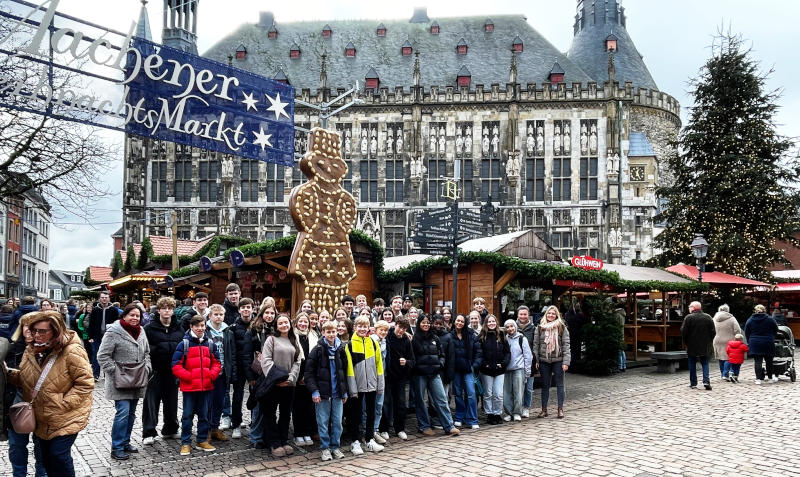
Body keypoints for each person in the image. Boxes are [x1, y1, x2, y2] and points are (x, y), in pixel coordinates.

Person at [6, 311, 94, 476]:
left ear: (55, 330)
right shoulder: (31, 350)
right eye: (34, 331)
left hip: (65, 416)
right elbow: (27, 379)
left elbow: (85, 384)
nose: (37, 335)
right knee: (47, 459)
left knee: (58, 455)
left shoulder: (72, 351)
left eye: (42, 331)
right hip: (42, 417)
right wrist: (8, 374)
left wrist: (63, 403)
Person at [96, 304, 152, 460]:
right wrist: (117, 372)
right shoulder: (113, 332)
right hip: (119, 382)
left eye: (138, 316)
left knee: (132, 414)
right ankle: (117, 446)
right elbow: (102, 356)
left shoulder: (141, 331)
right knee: (123, 413)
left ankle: (126, 442)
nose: (135, 318)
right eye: (132, 315)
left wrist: (147, 367)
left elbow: (147, 352)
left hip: (137, 379)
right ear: (124, 316)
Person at [4, 314, 48, 477]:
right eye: (26, 326)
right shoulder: (9, 348)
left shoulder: (49, 349)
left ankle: (41, 474)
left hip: (41, 405)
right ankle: (19, 474)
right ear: (20, 327)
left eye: (34, 327)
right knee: (17, 445)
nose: (30, 330)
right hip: (16, 404)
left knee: (41, 445)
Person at [171, 315, 221, 456]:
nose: (200, 328)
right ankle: (185, 443)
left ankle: (202, 440)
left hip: (206, 387)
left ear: (205, 326)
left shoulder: (210, 344)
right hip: (190, 388)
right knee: (187, 416)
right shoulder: (184, 344)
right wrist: (190, 377)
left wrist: (211, 375)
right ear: (191, 327)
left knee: (204, 415)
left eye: (202, 325)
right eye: (197, 326)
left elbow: (217, 363)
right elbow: (176, 365)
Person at [142, 297, 184, 445]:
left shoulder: (178, 327)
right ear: (158, 310)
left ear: (173, 311)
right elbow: (144, 349)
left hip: (173, 372)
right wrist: (157, 350)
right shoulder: (148, 328)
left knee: (171, 402)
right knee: (151, 403)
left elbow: (183, 347)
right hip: (155, 371)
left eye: (170, 308)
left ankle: (170, 429)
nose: (167, 311)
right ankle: (149, 432)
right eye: (164, 308)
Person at [260, 313, 303, 457]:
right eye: (280, 323)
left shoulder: (294, 339)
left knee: (285, 413)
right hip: (273, 384)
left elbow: (297, 361)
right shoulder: (271, 340)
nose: (284, 325)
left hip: (289, 385)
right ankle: (274, 442)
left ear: (290, 324)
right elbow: (265, 361)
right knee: (270, 414)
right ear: (276, 326)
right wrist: (277, 379)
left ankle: (284, 440)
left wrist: (291, 378)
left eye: (286, 322)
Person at [305, 320, 348, 461]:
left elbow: (344, 372)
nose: (331, 334)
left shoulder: (341, 349)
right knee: (323, 422)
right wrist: (314, 391)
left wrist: (344, 391)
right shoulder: (317, 350)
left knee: (337, 422)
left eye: (333, 331)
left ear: (337, 332)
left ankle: (335, 447)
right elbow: (309, 373)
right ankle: (325, 448)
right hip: (322, 394)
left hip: (337, 393)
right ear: (323, 333)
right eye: (328, 332)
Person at [412, 315, 459, 437]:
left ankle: (449, 426)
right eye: (423, 322)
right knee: (421, 401)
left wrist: (440, 364)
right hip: (419, 374)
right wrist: (417, 367)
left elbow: (442, 354)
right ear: (419, 324)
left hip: (434, 373)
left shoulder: (435, 338)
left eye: (428, 323)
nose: (426, 325)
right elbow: (412, 357)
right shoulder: (414, 339)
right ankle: (424, 426)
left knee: (441, 399)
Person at [344, 316, 386, 454]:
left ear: (369, 327)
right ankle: (355, 441)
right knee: (355, 415)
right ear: (355, 327)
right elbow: (349, 369)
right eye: (359, 326)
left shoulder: (373, 343)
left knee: (371, 413)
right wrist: (352, 388)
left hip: (372, 385)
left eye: (365, 326)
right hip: (357, 386)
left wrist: (380, 385)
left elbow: (379, 365)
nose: (362, 329)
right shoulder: (349, 345)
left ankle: (369, 439)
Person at [244, 303, 276, 448]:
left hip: (272, 374)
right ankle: (255, 438)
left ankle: (267, 435)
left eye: (272, 313)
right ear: (262, 314)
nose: (269, 316)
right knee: (257, 408)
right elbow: (246, 355)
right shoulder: (252, 330)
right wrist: (250, 377)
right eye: (267, 313)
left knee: (270, 408)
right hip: (257, 374)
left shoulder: (276, 330)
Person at [533, 306, 571, 418]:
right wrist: (536, 360)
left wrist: (566, 362)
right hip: (544, 360)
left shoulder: (561, 327)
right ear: (546, 314)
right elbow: (536, 345)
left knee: (560, 384)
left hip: (558, 360)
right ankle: (544, 409)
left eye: (553, 314)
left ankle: (560, 409)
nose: (550, 315)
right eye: (549, 313)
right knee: (545, 385)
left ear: (556, 315)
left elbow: (566, 345)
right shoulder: (540, 328)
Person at [205, 304, 233, 442]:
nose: (218, 317)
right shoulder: (204, 330)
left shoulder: (228, 331)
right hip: (209, 373)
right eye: (216, 314)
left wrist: (231, 371)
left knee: (219, 402)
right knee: (207, 403)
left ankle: (215, 428)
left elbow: (231, 354)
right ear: (210, 316)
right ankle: (206, 430)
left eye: (221, 314)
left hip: (223, 373)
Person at [450, 313, 481, 429]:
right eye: (458, 321)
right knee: (457, 394)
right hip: (456, 370)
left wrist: (474, 366)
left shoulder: (471, 334)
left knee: (471, 394)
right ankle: (459, 417)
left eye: (462, 321)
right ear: (454, 321)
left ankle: (473, 419)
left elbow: (478, 352)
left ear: (465, 323)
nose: (459, 323)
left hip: (468, 369)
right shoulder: (450, 335)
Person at [229, 297, 255, 439]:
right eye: (243, 307)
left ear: (252, 309)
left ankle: (254, 422)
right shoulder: (233, 328)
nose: (246, 310)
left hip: (254, 366)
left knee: (255, 394)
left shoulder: (257, 325)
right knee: (238, 396)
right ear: (239, 310)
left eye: (248, 307)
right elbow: (232, 350)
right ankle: (236, 424)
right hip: (239, 366)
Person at [292, 312, 319, 446]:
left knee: (309, 407)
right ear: (296, 322)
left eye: (306, 322)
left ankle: (308, 432)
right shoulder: (292, 336)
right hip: (297, 376)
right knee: (298, 407)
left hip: (310, 376)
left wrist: (308, 376)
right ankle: (298, 433)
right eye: (301, 322)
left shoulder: (314, 336)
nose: (303, 324)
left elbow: (314, 358)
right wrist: (300, 376)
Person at [385, 316, 414, 440]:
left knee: (400, 403)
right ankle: (383, 429)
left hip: (400, 377)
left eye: (404, 328)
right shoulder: (387, 336)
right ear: (395, 325)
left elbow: (413, 360)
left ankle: (400, 429)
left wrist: (406, 362)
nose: (401, 330)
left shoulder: (406, 341)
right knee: (386, 404)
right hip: (387, 376)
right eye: (399, 327)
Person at [478, 314, 509, 424]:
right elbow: (479, 353)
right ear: (486, 323)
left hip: (499, 370)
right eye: (489, 322)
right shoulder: (482, 336)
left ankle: (497, 413)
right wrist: (484, 364)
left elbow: (507, 352)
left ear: (496, 322)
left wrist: (503, 363)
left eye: (493, 321)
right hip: (486, 370)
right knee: (488, 393)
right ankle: (489, 414)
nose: (491, 323)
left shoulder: (501, 334)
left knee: (498, 394)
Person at [680, 301, 715, 390]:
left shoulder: (688, 318)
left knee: (692, 363)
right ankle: (706, 381)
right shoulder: (708, 317)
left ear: (693, 308)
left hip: (692, 345)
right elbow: (713, 332)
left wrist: (686, 342)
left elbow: (684, 332)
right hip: (705, 345)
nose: (689, 308)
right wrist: (709, 341)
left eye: (689, 307)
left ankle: (693, 383)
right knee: (705, 363)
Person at [503, 320, 532, 422]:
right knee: (506, 393)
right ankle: (508, 412)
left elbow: (528, 356)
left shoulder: (521, 338)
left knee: (518, 392)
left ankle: (516, 412)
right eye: (507, 327)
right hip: (507, 369)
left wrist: (527, 372)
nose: (510, 329)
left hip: (519, 369)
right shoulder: (505, 339)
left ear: (515, 327)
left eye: (512, 326)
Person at [88, 290, 121, 380]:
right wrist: (90, 337)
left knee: (109, 355)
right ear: (99, 299)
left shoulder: (114, 310)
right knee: (96, 355)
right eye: (102, 297)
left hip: (109, 336)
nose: (104, 299)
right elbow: (91, 324)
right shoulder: (95, 310)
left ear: (109, 299)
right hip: (97, 336)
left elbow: (116, 323)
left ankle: (108, 375)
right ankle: (96, 374)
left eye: (106, 298)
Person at [744, 304, 779, 385]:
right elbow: (776, 329)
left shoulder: (750, 320)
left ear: (755, 311)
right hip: (768, 342)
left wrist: (750, 340)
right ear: (764, 310)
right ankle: (770, 378)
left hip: (755, 342)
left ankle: (758, 379)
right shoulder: (770, 319)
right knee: (769, 361)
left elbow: (747, 332)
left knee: (758, 361)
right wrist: (772, 337)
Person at [370, 320, 390, 443]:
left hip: (382, 377)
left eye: (385, 330)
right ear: (376, 330)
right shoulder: (372, 341)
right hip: (372, 377)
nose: (383, 332)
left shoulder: (385, 342)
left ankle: (375, 429)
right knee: (370, 406)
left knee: (379, 405)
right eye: (381, 330)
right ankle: (369, 431)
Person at [515, 305, 536, 416]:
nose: (523, 316)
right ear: (517, 315)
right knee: (518, 388)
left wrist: (536, 361)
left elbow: (536, 345)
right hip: (516, 363)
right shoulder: (512, 327)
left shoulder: (534, 329)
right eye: (521, 314)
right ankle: (517, 408)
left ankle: (526, 407)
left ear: (528, 315)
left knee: (528, 388)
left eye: (525, 314)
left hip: (530, 363)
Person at [712, 304, 742, 381]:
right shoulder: (732, 318)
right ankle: (725, 374)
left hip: (717, 340)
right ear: (727, 310)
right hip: (729, 340)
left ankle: (722, 374)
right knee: (728, 357)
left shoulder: (714, 318)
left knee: (720, 357)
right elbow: (737, 330)